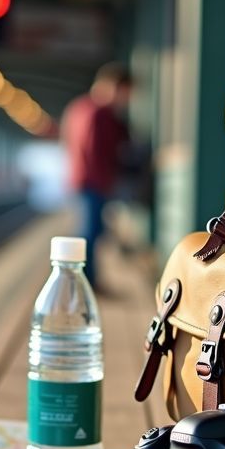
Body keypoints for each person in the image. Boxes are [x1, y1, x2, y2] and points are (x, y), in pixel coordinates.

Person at [61, 62, 132, 289]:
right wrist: (107, 182)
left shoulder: (78, 107)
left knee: (90, 231)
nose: (126, 100)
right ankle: (85, 283)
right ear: (114, 86)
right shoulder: (100, 113)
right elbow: (95, 150)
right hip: (94, 180)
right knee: (90, 233)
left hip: (80, 178)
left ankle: (82, 280)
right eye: (125, 94)